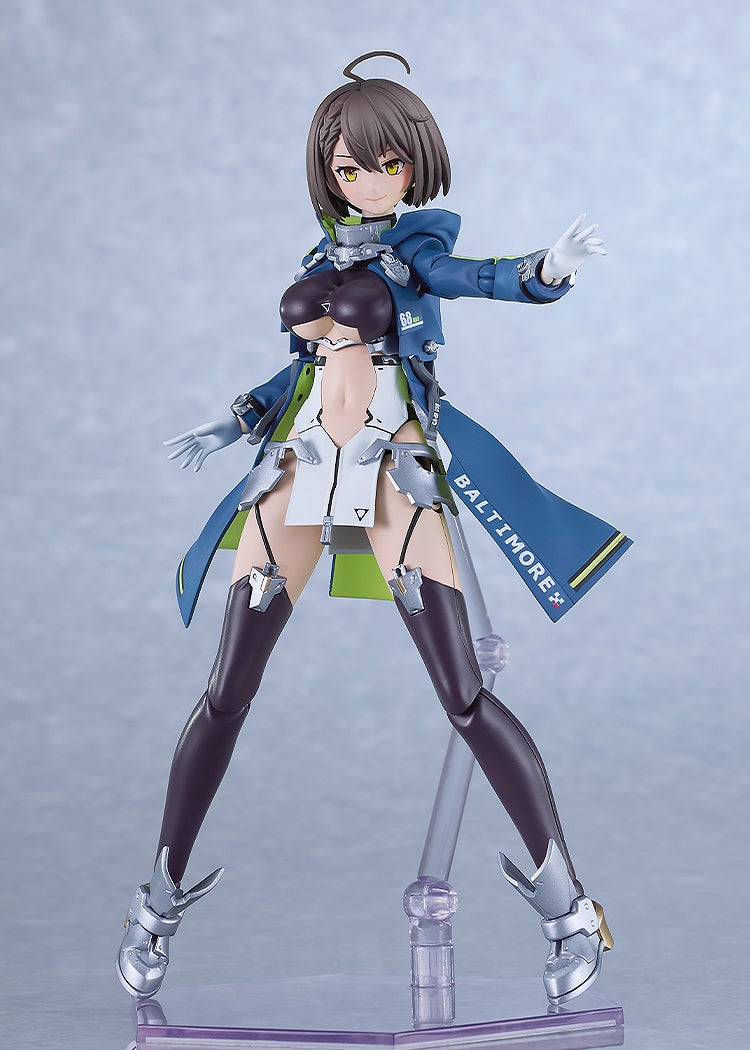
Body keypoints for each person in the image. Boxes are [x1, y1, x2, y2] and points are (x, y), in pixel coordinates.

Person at [117, 52, 625, 1007]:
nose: (370, 182)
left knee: (463, 694)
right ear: (329, 171)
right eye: (350, 167)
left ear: (415, 163)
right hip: (301, 460)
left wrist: (545, 270)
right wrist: (235, 417)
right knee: (226, 689)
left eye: (388, 164)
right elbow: (305, 369)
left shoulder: (417, 251)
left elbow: (475, 277)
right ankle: (156, 900)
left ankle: (570, 910)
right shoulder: (320, 260)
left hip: (393, 465)